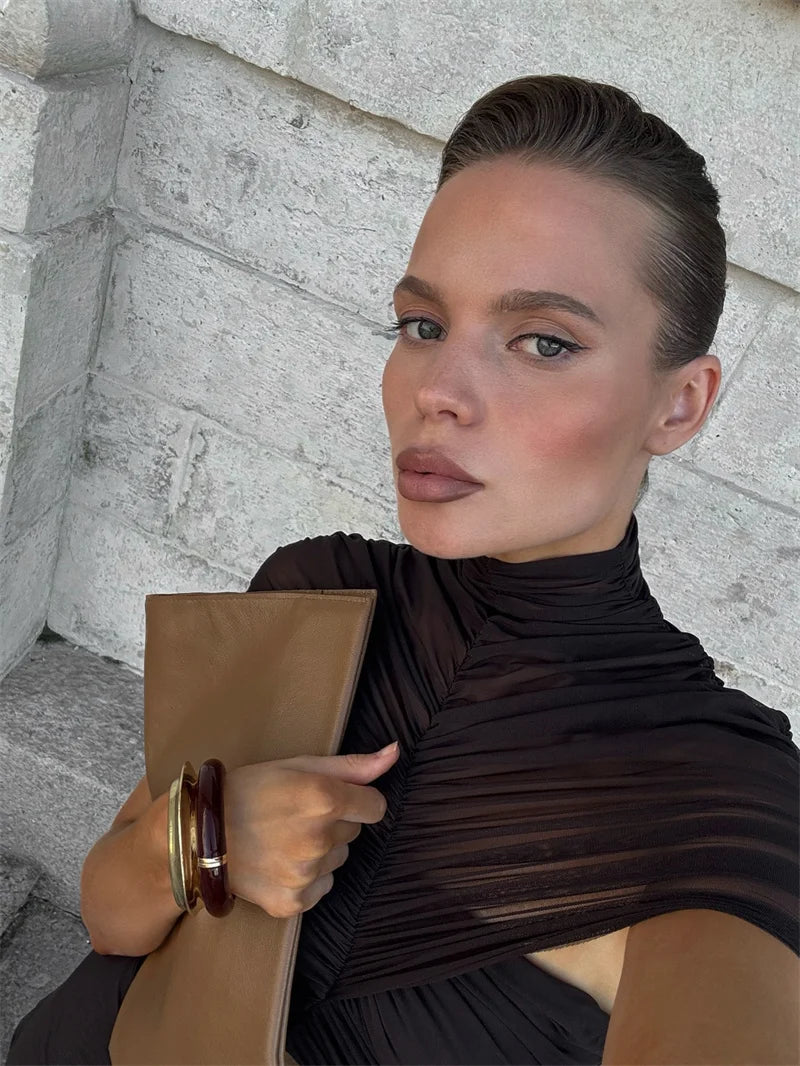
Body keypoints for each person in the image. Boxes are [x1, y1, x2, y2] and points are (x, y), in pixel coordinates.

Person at [8, 74, 798, 1066]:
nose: (439, 391)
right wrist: (207, 835)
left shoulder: (719, 787)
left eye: (542, 342)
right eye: (423, 325)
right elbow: (110, 915)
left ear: (677, 405)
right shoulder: (316, 588)